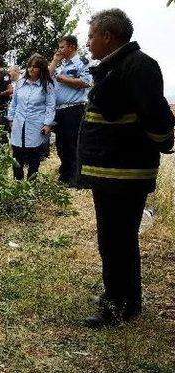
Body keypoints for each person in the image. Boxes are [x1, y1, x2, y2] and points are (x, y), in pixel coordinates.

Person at [78, 9, 175, 328]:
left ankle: (119, 304)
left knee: (117, 239)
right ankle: (121, 296)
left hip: (125, 173)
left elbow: (155, 116)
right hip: (111, 171)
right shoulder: (116, 66)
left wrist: (162, 140)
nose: (88, 41)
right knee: (113, 238)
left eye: (91, 35)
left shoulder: (139, 66)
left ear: (109, 36)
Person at [48, 35, 92, 186]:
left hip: (74, 109)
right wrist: (54, 60)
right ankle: (65, 173)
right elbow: (47, 76)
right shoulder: (61, 65)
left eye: (62, 47)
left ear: (72, 47)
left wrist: (64, 80)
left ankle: (76, 178)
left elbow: (87, 82)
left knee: (73, 143)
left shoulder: (82, 62)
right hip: (59, 110)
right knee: (61, 143)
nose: (59, 50)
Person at [7, 54, 56, 180]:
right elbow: (14, 102)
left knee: (34, 155)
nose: (31, 69)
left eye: (35, 67)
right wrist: (11, 119)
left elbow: (50, 106)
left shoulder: (47, 85)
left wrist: (47, 124)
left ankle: (31, 183)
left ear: (41, 69)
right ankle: (18, 181)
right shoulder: (20, 83)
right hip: (19, 122)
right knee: (17, 154)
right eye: (29, 66)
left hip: (36, 124)